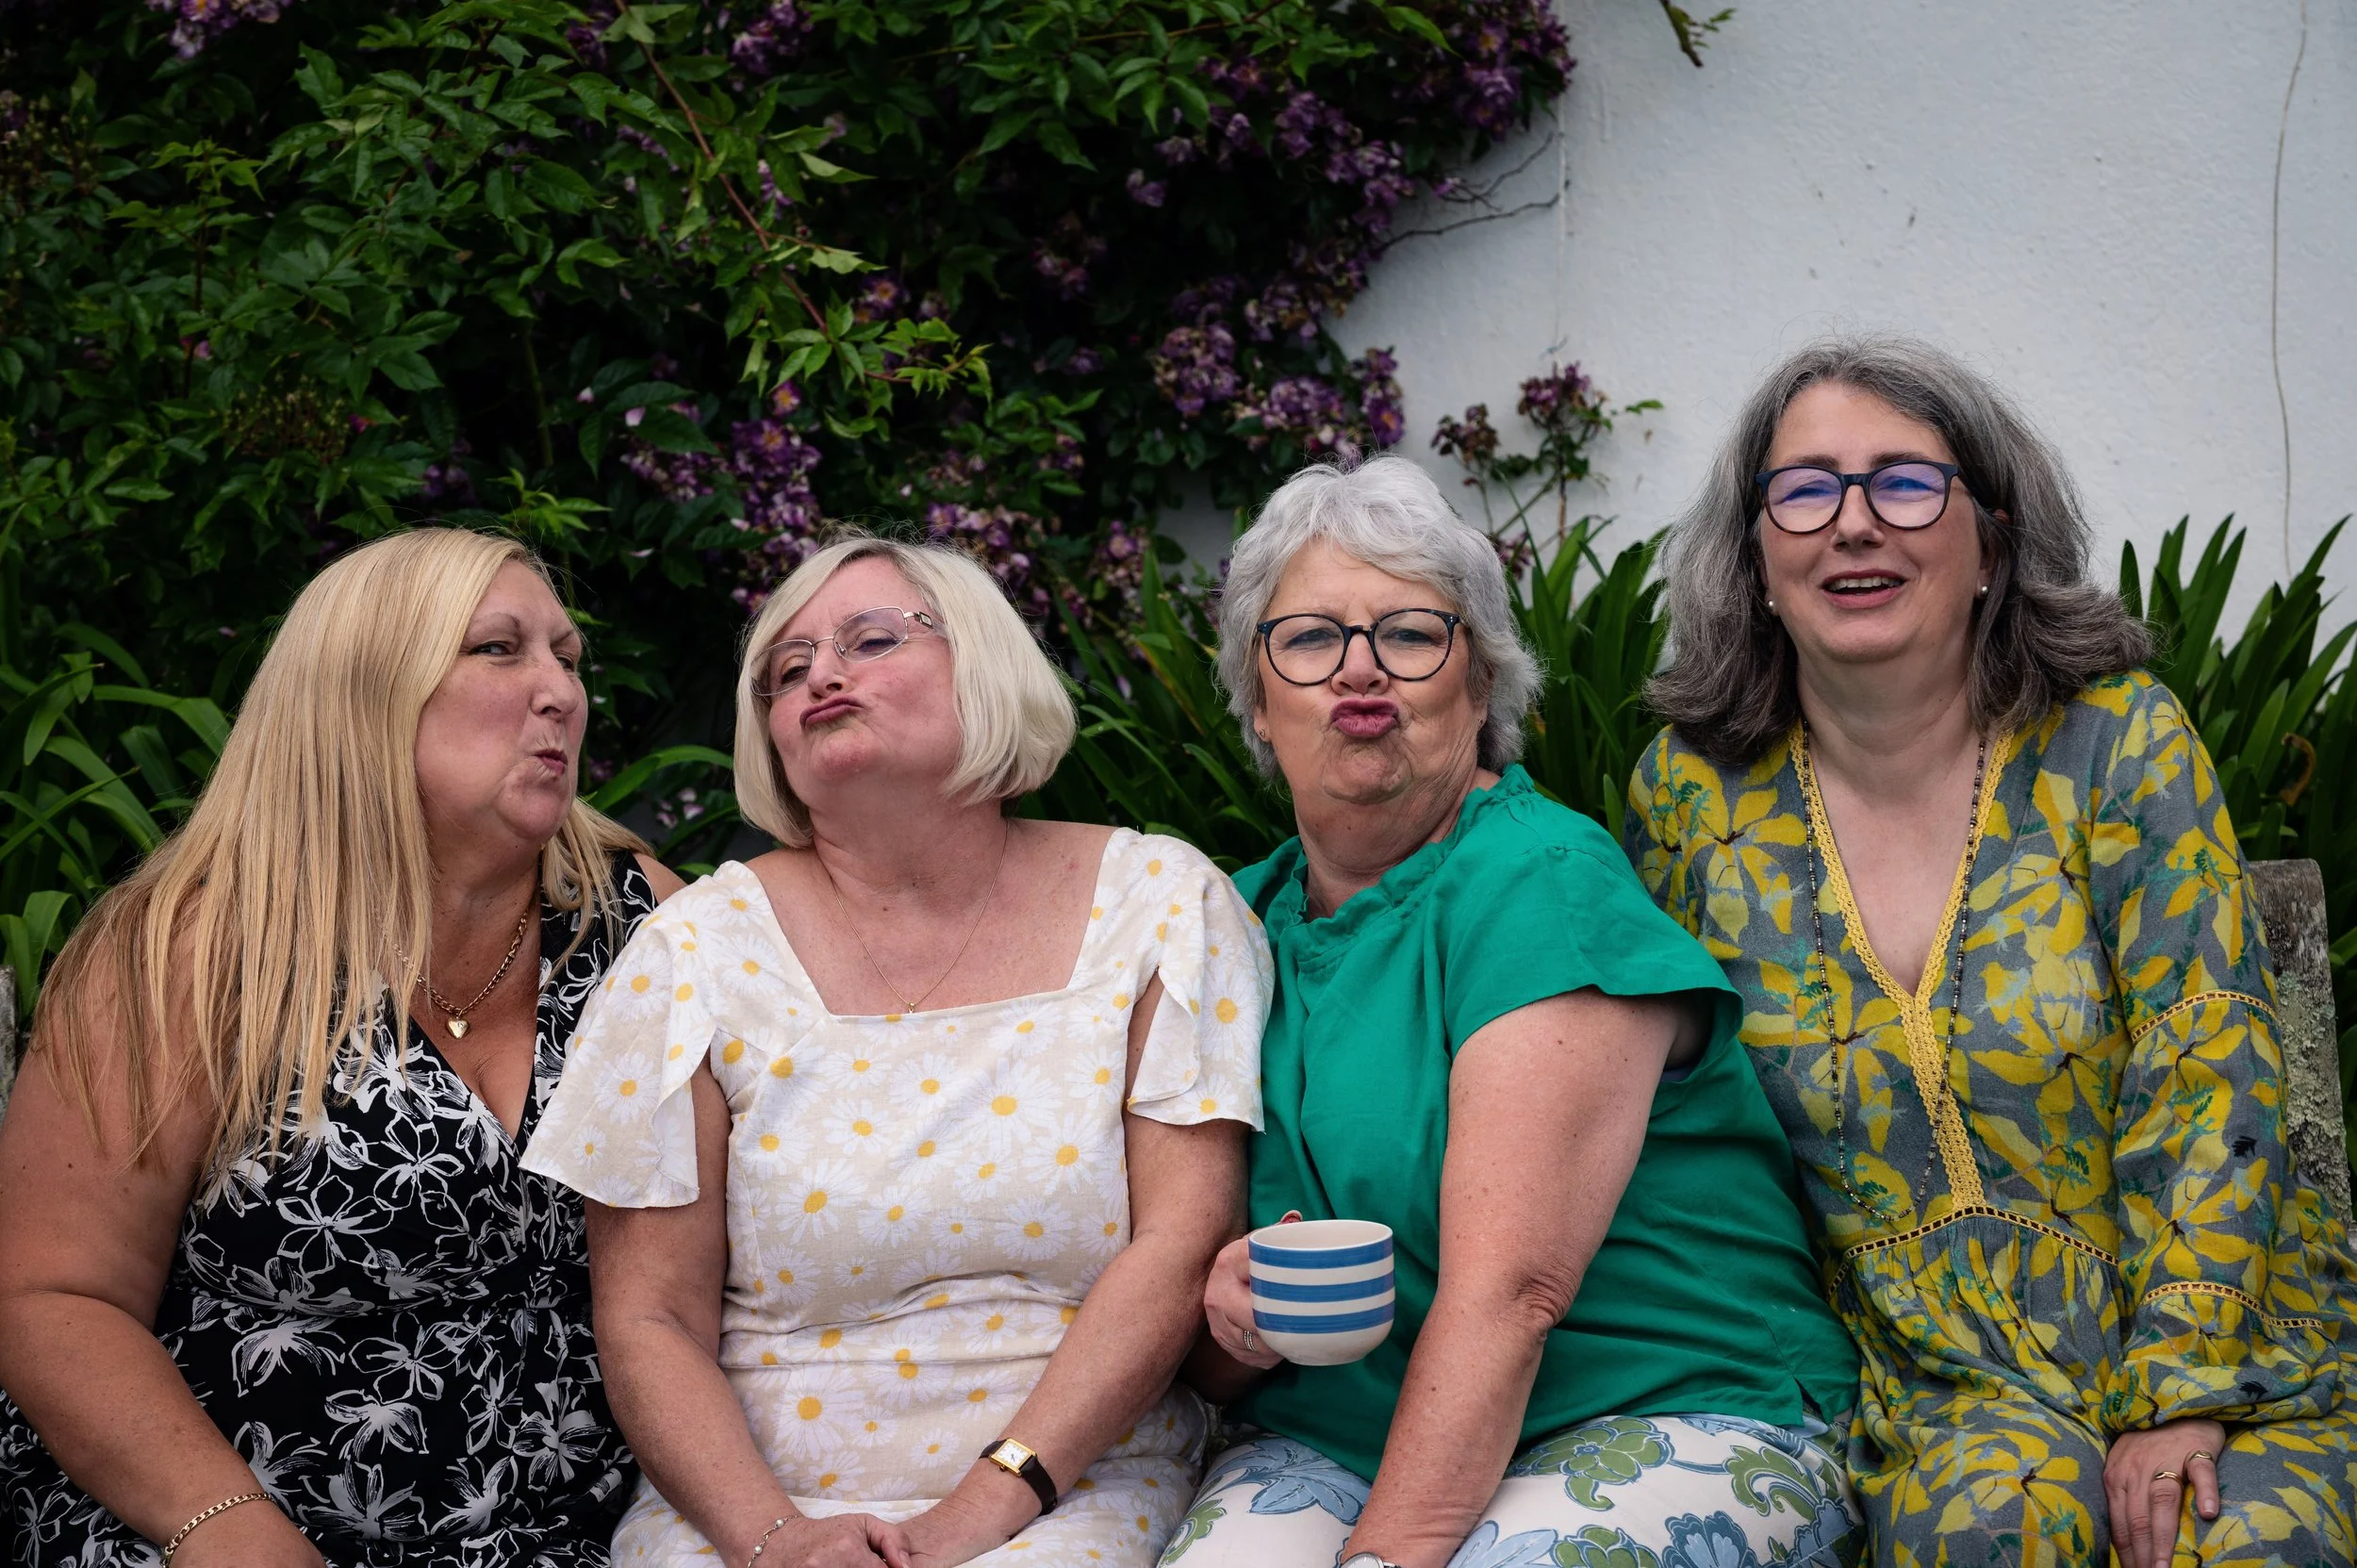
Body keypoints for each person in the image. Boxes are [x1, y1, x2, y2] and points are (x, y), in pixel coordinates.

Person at [1624, 334, 2357, 1568]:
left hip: (2230, 1353)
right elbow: (1679, 1123)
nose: (1853, 523)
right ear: (1757, 556)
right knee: (1984, 1535)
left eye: (1905, 481)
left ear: (1993, 542)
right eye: (1805, 489)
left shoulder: (2117, 740)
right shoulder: (1689, 795)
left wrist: (2179, 1389)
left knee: (2229, 1547)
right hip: (1943, 1385)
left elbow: (2206, 1060)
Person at [1165, 456, 1864, 1568]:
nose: (1360, 672)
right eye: (1307, 639)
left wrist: (1383, 1560)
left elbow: (1512, 1293)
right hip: (1343, 1436)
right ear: (1256, 693)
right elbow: (1196, 1321)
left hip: (1666, 1404)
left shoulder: (1540, 884)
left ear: (1480, 685)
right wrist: (1230, 1325)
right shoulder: (1228, 925)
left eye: (1409, 635)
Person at [522, 536, 1269, 1568]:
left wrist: (975, 1512)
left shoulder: (1160, 905)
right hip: (754, 1507)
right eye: (786, 670)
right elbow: (650, 1316)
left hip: (1073, 1486)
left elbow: (1179, 1249)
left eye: (870, 639)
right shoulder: (696, 950)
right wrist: (775, 1536)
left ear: (987, 663)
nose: (821, 673)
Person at [0, 529, 682, 1566]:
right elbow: (53, 1293)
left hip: (576, 1535)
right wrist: (224, 1527)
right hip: (214, 1525)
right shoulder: (194, 953)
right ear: (361, 690)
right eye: (499, 649)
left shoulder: (638, 923)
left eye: (568, 656)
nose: (559, 691)